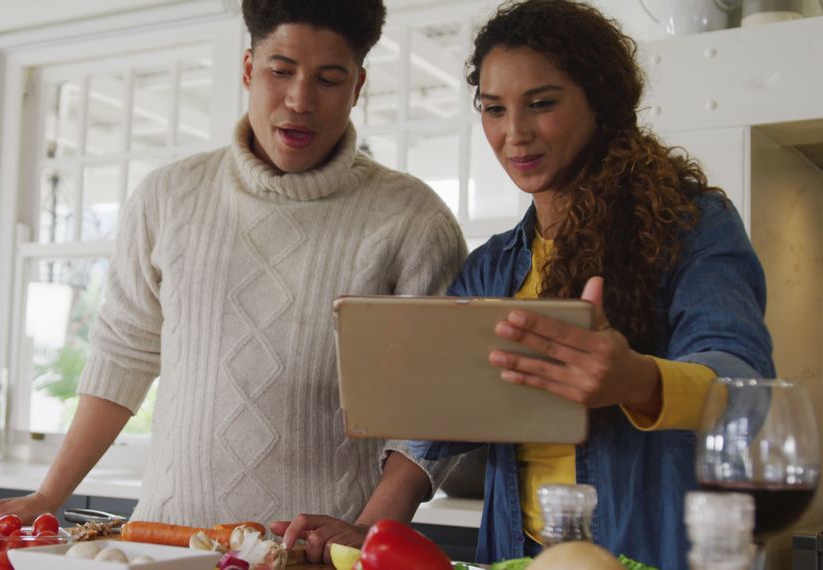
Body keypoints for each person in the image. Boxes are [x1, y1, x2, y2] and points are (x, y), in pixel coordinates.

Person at [274, 1, 774, 568]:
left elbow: (747, 385)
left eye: (542, 104)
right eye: (494, 109)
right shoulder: (493, 267)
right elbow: (433, 428)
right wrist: (367, 530)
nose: (515, 134)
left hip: (649, 555)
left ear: (601, 102)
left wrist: (636, 378)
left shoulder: (691, 225)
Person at [0, 0, 467, 538]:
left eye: (329, 80)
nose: (299, 100)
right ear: (247, 69)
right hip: (164, 543)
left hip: (311, 553)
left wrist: (366, 535)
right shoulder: (168, 196)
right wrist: (47, 495)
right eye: (280, 71)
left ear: (358, 87)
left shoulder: (414, 220)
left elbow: (431, 412)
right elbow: (124, 352)